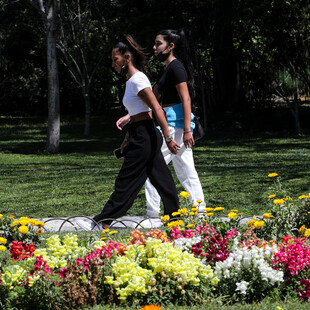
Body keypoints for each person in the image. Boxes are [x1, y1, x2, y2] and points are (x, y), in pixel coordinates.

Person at [77, 34, 180, 231]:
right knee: (162, 179)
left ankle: (102, 221)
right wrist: (127, 138)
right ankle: (175, 219)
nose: (113, 64)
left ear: (127, 57)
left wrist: (168, 137)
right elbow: (137, 113)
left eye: (115, 59)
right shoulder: (131, 80)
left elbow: (156, 108)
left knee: (126, 179)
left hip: (145, 136)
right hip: (140, 134)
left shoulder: (137, 80)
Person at [118, 29, 206, 217]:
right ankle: (200, 210)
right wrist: (130, 116)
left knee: (154, 167)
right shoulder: (167, 69)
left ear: (171, 46)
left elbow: (186, 99)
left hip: (175, 126)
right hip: (173, 125)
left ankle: (153, 214)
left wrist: (188, 130)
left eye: (159, 44)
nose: (154, 47)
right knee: (186, 170)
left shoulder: (176, 68)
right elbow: (154, 99)